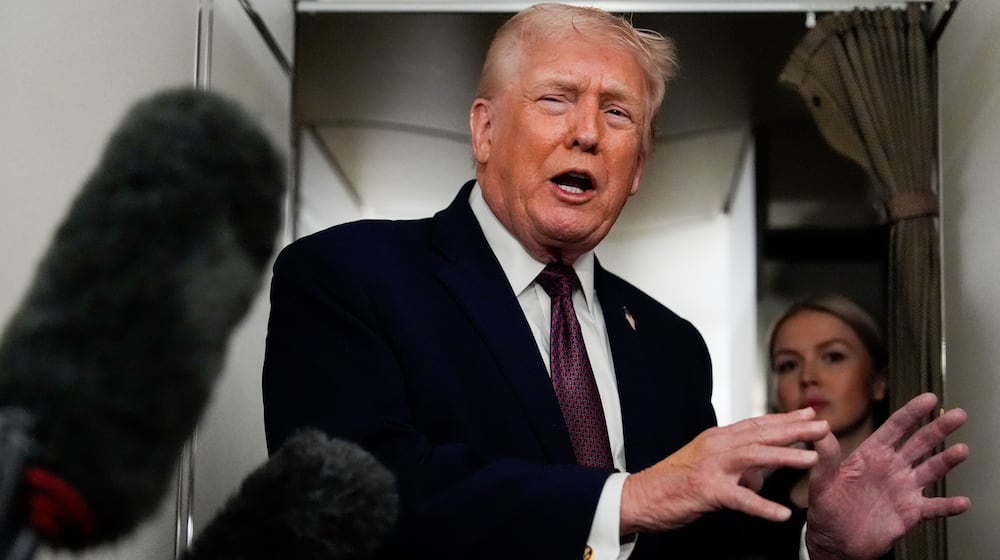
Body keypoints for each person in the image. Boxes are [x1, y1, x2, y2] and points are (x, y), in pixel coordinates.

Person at [261, 4, 969, 560]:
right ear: (484, 130)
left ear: (637, 169)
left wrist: (817, 543)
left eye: (618, 111)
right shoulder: (346, 277)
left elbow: (700, 545)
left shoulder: (669, 344)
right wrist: (626, 499)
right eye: (556, 99)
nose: (588, 133)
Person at [743, 294, 893, 560]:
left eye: (833, 357)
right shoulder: (757, 502)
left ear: (879, 382)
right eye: (788, 364)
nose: (808, 377)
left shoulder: (912, 490)